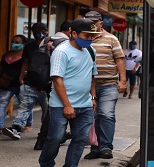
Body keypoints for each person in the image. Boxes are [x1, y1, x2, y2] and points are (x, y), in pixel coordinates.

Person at [39, 18, 100, 167]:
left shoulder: (91, 51)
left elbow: (92, 76)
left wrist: (93, 97)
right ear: (74, 33)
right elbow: (57, 80)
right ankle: (46, 163)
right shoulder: (61, 51)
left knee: (80, 139)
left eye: (93, 36)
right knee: (56, 138)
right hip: (61, 105)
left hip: (85, 104)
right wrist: (67, 105)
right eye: (87, 36)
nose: (90, 39)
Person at [83, 11, 127, 160]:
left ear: (101, 23)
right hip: (88, 87)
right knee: (92, 117)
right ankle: (95, 148)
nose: (92, 24)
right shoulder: (83, 39)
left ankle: (106, 147)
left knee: (106, 114)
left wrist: (122, 81)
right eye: (89, 21)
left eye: (94, 21)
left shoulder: (111, 39)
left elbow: (120, 60)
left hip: (108, 85)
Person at [2, 23, 49, 140]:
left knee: (47, 108)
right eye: (34, 30)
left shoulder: (52, 44)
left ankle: (46, 130)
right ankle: (16, 128)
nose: (37, 32)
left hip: (47, 84)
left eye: (40, 30)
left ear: (46, 31)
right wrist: (21, 77)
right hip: (31, 82)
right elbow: (26, 62)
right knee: (25, 106)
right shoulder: (29, 47)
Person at [34, 20, 73, 150]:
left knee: (53, 109)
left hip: (45, 79)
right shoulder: (66, 43)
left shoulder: (47, 39)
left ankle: (47, 138)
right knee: (56, 110)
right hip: (59, 80)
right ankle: (45, 139)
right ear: (70, 29)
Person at [0, 35, 33, 134]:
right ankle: (0, 126)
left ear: (24, 44)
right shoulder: (6, 53)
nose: (14, 44)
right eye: (13, 41)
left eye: (17, 42)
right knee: (2, 103)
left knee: (25, 104)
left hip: (20, 84)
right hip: (6, 84)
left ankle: (28, 124)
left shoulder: (25, 56)